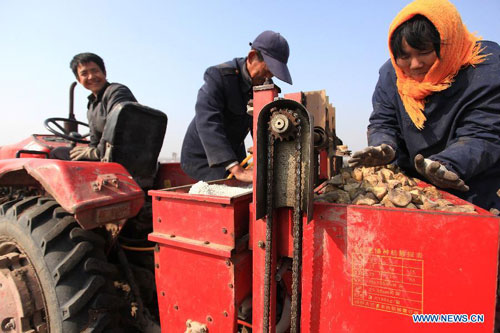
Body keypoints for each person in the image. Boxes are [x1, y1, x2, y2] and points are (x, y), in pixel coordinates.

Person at [348, 0, 500, 211]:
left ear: (448, 41)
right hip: (413, 191)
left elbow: (484, 133)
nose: (414, 64)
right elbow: (383, 121)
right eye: (404, 56)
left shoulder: (485, 67)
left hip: (474, 190)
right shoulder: (392, 75)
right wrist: (384, 145)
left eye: (424, 52)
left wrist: (446, 165)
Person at [180, 30, 292, 182]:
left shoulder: (264, 85)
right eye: (266, 71)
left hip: (234, 154)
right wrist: (237, 170)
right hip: (204, 158)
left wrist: (262, 149)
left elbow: (260, 123)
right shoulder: (219, 77)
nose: (268, 78)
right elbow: (207, 120)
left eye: (272, 75)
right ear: (252, 57)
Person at [68, 52, 137, 161]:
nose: (91, 77)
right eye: (84, 73)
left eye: (95, 71)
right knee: (64, 153)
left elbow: (120, 127)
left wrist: (96, 152)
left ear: (104, 72)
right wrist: (91, 151)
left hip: (121, 158)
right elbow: (94, 141)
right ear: (79, 79)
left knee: (55, 155)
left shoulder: (117, 92)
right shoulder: (92, 105)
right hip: (104, 157)